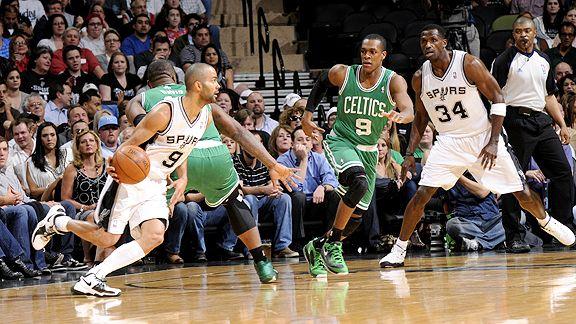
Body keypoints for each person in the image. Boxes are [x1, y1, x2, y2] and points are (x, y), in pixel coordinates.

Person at [32, 63, 299, 297]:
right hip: (133, 179)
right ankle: (59, 222)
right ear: (197, 85)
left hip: (158, 182)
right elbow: (129, 144)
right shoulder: (164, 111)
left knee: (154, 236)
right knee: (107, 238)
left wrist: (182, 177)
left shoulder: (206, 113)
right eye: (213, 80)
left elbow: (184, 147)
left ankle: (93, 278)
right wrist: (116, 166)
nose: (219, 85)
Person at [379, 24, 575, 268]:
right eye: (423, 41)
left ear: (444, 43)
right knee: (421, 194)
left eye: (433, 40)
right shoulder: (420, 77)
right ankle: (399, 250)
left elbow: (498, 97)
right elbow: (421, 117)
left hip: (482, 136)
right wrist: (409, 153)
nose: (427, 45)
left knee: (520, 192)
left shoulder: (468, 64)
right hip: (449, 141)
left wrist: (494, 141)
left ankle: (546, 221)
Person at [128, 59, 297, 277]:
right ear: (178, 79)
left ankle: (122, 256)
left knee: (140, 204)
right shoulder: (196, 92)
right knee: (235, 203)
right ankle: (262, 262)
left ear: (149, 84)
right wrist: (272, 164)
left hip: (174, 158)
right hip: (214, 155)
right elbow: (238, 131)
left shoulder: (141, 97)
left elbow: (143, 129)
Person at [301, 33, 414, 277]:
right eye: (364, 51)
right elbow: (322, 80)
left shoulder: (392, 82)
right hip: (341, 141)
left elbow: (408, 107)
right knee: (359, 181)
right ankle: (334, 246)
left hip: (369, 150)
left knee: (358, 216)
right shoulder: (345, 73)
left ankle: (318, 245)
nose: (367, 55)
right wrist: (308, 115)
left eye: (373, 51)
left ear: (383, 55)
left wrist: (403, 115)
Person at [492, 17, 576, 252]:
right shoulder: (503, 61)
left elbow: (549, 95)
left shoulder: (544, 60)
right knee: (513, 179)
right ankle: (514, 236)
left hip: (541, 119)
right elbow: (494, 95)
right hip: (514, 120)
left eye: (527, 31)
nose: (523, 35)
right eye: (518, 31)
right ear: (514, 34)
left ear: (534, 33)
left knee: (562, 172)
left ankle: (563, 228)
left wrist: (562, 124)